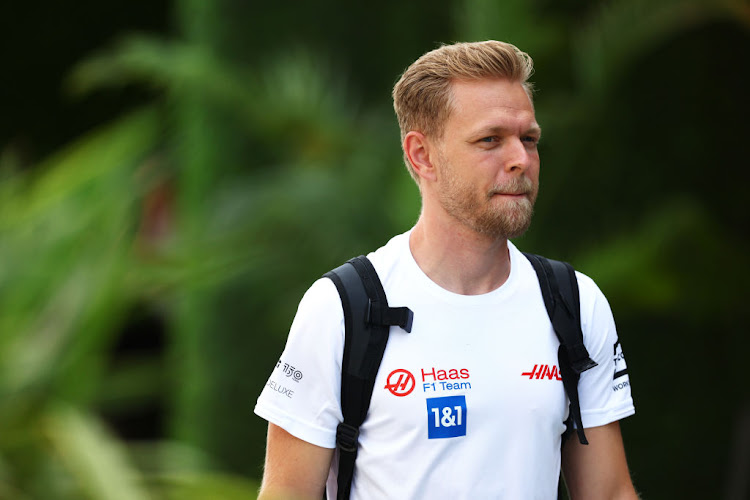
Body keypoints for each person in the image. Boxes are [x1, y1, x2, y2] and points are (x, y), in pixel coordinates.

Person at [254, 40, 637, 499]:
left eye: (529, 138)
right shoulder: (342, 307)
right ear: (421, 155)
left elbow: (610, 492)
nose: (520, 159)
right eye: (490, 140)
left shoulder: (573, 301)